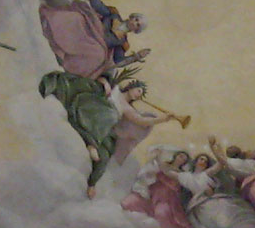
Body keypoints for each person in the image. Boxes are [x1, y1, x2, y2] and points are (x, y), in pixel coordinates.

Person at [38, 74, 185, 197]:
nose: (138, 94)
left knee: (107, 148)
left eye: (140, 94)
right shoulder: (114, 90)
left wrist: (163, 118)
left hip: (100, 125)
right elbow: (101, 79)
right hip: (89, 108)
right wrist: (104, 84)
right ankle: (92, 143)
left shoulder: (127, 109)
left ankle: (92, 182)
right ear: (131, 86)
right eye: (138, 90)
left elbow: (143, 121)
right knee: (111, 114)